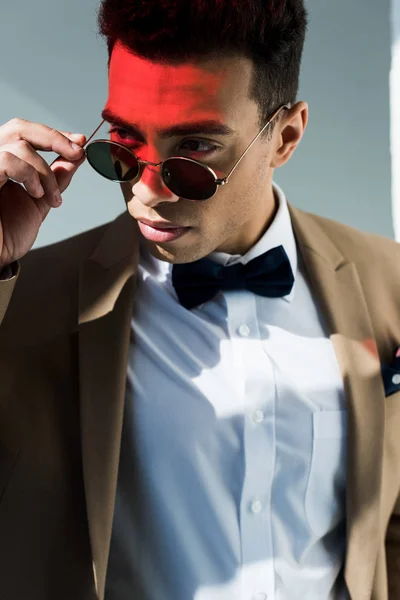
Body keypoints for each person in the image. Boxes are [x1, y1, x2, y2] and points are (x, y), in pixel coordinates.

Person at [0, 0, 399, 598]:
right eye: (125, 146)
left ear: (285, 136)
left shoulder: (389, 282)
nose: (150, 193)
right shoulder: (23, 299)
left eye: (196, 151)